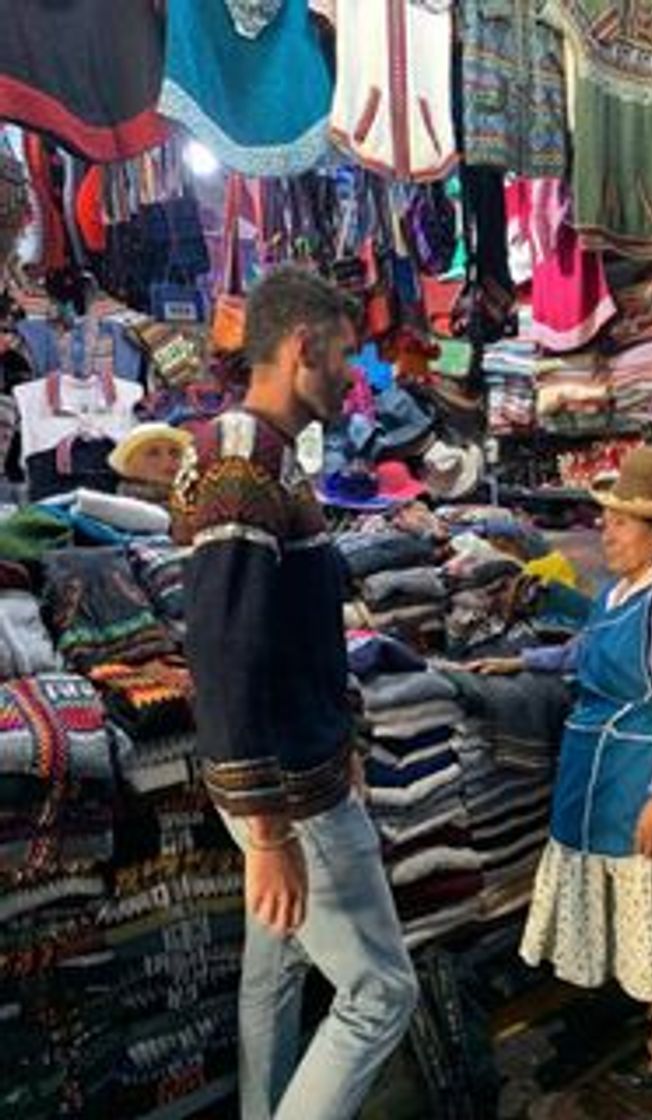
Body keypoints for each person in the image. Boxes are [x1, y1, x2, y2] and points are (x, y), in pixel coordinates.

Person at [173, 267, 418, 1120]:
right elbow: (225, 649)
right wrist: (272, 828)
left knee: (272, 970)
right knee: (382, 993)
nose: (355, 375)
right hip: (291, 792)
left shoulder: (268, 459)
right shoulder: (243, 464)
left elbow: (280, 636)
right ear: (304, 346)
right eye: (347, 353)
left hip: (294, 775)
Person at [472, 446, 652, 1088]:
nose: (605, 529)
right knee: (646, 921)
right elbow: (592, 647)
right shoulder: (623, 592)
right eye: (606, 516)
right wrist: (525, 663)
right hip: (614, 776)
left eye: (622, 521)